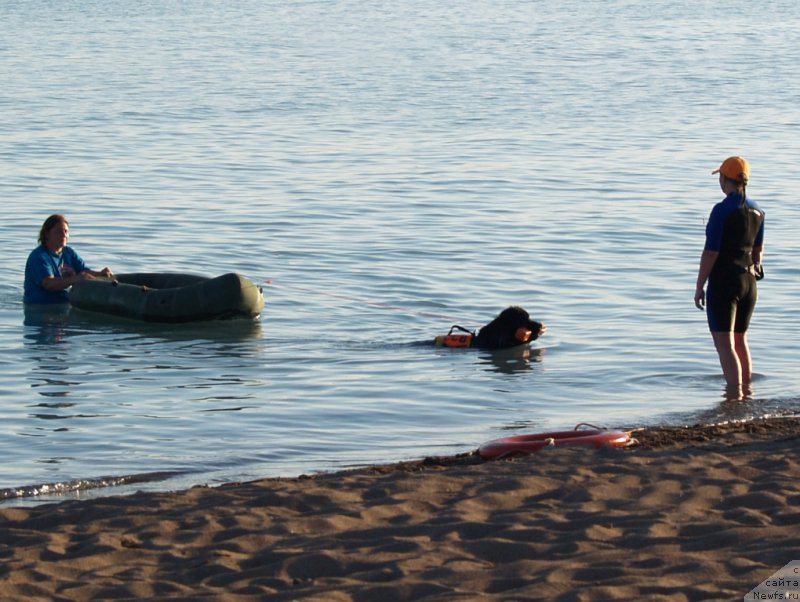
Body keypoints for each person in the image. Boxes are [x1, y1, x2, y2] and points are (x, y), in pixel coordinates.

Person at [694, 156, 764, 395]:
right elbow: (758, 251)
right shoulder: (758, 210)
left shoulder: (721, 210)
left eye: (721, 178)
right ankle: (747, 395)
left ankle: (734, 398)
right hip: (749, 282)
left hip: (725, 282)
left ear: (726, 179)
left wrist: (699, 285)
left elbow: (711, 252)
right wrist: (756, 266)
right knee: (740, 341)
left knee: (725, 345)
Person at [23, 214, 114, 304]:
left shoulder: (69, 252)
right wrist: (76, 279)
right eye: (58, 232)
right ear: (47, 234)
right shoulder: (39, 257)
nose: (64, 235)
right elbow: (49, 284)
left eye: (66, 231)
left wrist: (101, 274)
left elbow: (83, 272)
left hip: (65, 304)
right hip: (40, 308)